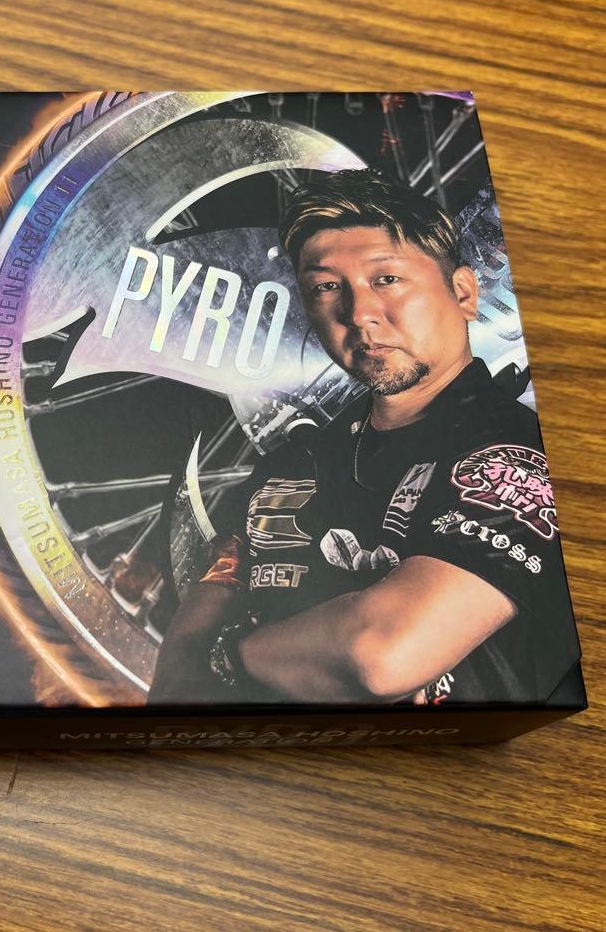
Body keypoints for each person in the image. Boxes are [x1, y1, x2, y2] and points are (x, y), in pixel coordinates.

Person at [148, 169, 578, 706]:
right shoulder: (292, 463)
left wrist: (230, 658)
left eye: (387, 279)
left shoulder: (523, 455)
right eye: (326, 287)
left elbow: (381, 654)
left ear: (464, 292)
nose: (359, 314)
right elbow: (176, 682)